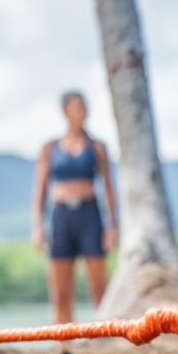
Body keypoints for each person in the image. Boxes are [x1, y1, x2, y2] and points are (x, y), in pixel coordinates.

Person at [32, 91, 118, 324]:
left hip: (89, 214)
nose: (82, 111)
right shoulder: (50, 148)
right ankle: (64, 341)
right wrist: (38, 227)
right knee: (60, 291)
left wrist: (112, 226)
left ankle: (103, 336)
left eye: (84, 106)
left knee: (100, 286)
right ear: (65, 111)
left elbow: (109, 188)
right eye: (77, 106)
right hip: (61, 216)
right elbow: (40, 189)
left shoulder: (97, 147)